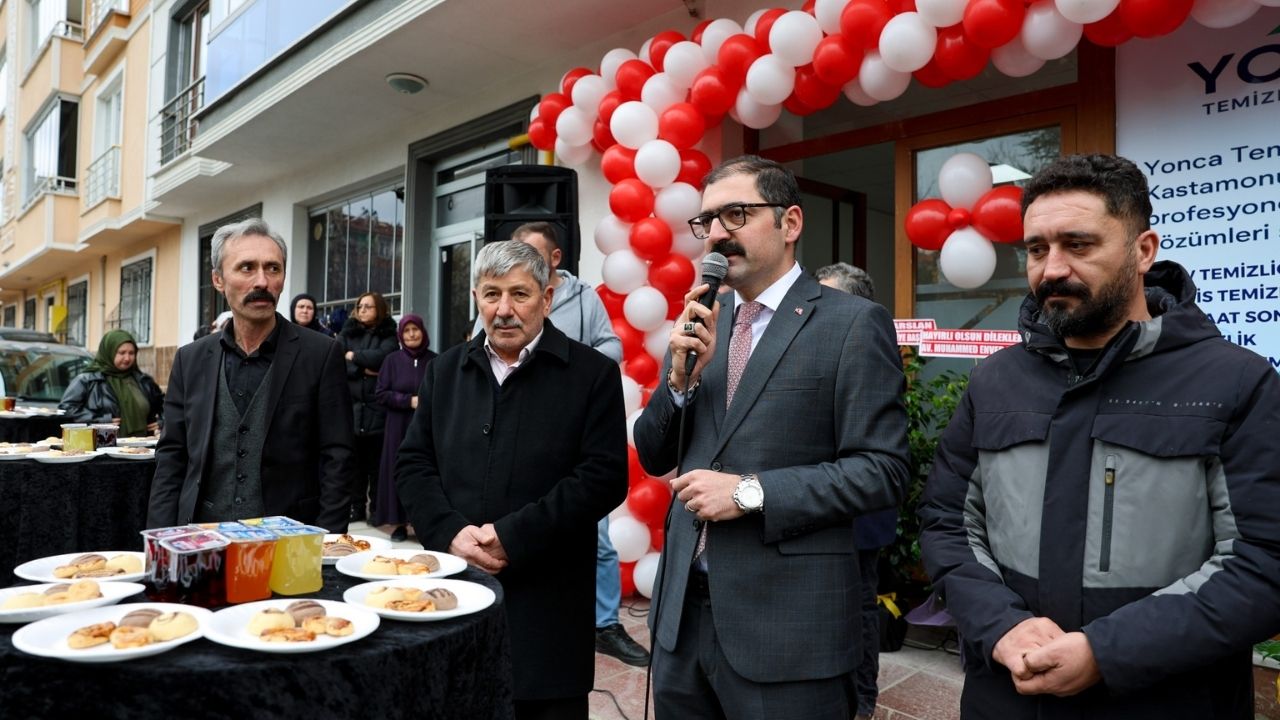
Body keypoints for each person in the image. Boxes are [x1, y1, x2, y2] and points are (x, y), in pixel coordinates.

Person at [919, 154, 1280, 719]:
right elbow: (946, 522)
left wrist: (1107, 651)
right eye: (1036, 249)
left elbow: (1264, 561)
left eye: (1078, 245)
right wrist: (1002, 625)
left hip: (1168, 702)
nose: (1051, 268)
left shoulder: (1235, 382)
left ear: (1143, 251)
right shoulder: (995, 379)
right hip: (1006, 696)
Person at [633, 155, 910, 719]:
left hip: (787, 631)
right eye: (706, 221)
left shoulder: (853, 324)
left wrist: (748, 493)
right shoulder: (703, 318)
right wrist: (680, 382)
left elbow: (883, 471)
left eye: (735, 214)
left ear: (790, 224)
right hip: (681, 622)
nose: (715, 234)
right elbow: (654, 449)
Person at [396, 240, 627, 719]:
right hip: (456, 597)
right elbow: (414, 464)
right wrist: (448, 532)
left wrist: (512, 535)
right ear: (477, 298)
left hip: (549, 610)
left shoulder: (593, 375)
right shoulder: (444, 372)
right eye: (491, 294)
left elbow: (603, 477)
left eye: (519, 294)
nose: (503, 310)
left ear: (546, 299)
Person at [474, 222, 646, 666]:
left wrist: (564, 361)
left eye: (528, 256)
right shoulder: (493, 306)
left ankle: (605, 624)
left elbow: (610, 347)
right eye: (493, 294)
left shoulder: (584, 297)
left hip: (568, 428)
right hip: (510, 426)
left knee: (598, 538)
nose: (505, 307)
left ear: (551, 266)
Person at [147, 217, 354, 532]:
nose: (262, 281)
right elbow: (172, 456)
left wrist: (328, 542)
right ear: (218, 280)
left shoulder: (321, 354)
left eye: (273, 268)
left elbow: (337, 457)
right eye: (246, 268)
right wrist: (160, 537)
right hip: (203, 541)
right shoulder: (190, 359)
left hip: (289, 543)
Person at [815, 262, 896, 720]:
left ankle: (863, 700)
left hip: (861, 512)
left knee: (860, 605)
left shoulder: (870, 342)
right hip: (823, 503)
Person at [374, 314, 435, 543]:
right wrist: (407, 401)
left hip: (426, 426)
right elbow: (380, 393)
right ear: (400, 334)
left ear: (423, 331)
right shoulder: (392, 360)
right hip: (397, 426)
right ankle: (398, 523)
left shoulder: (435, 360)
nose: (412, 334)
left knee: (425, 471)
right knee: (395, 471)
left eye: (415, 330)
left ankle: (421, 522)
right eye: (407, 330)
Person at [337, 291, 398, 522]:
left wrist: (353, 357)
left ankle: (376, 510)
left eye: (368, 307)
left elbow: (385, 359)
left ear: (379, 309)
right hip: (352, 408)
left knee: (376, 464)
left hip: (377, 409)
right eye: (360, 306)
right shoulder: (347, 332)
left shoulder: (389, 333)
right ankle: (357, 507)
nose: (362, 310)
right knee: (355, 465)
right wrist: (362, 368)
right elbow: (338, 360)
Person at [59, 329, 164, 437]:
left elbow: (167, 405)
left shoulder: (143, 381)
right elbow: (66, 410)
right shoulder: (88, 381)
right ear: (108, 352)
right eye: (121, 353)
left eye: (131, 353)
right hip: (103, 447)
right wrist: (100, 421)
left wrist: (162, 422)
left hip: (141, 448)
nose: (127, 358)